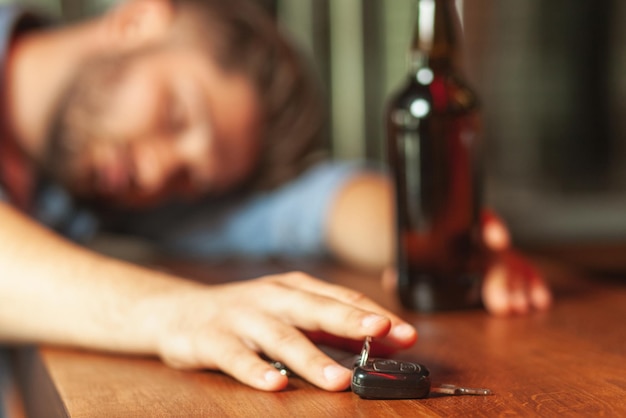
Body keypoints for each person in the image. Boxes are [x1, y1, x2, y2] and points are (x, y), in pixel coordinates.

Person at [0, 0, 551, 396]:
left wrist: (434, 234)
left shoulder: (85, 189)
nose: (163, 170)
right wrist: (177, 312)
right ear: (138, 18)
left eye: (192, 180)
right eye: (177, 113)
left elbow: (312, 205)